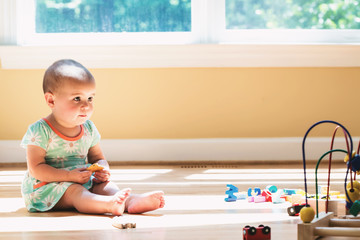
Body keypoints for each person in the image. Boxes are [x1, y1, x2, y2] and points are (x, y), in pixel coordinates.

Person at [21, 59, 165, 216]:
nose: (86, 105)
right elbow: (36, 169)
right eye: (77, 98)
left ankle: (130, 201)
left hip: (82, 180)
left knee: (106, 186)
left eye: (90, 98)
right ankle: (108, 205)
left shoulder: (88, 128)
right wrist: (69, 176)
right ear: (51, 100)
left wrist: (103, 168)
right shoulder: (40, 130)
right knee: (74, 191)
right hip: (47, 188)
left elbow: (97, 157)